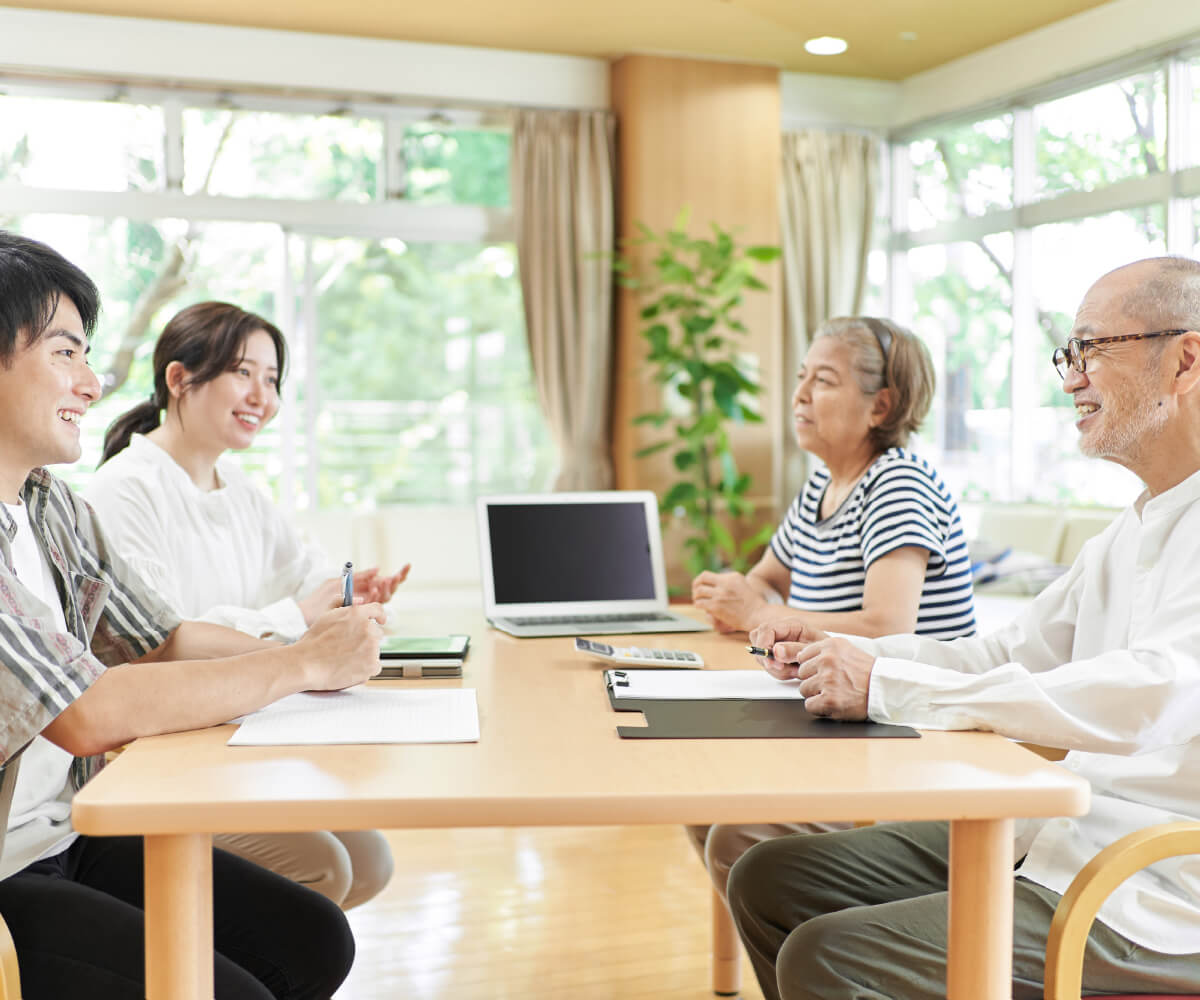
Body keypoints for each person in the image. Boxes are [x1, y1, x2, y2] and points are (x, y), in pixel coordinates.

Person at [728, 256, 1200, 1000]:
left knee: (832, 955)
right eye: (1067, 355)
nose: (1070, 377)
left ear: (1185, 359)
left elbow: (1154, 692)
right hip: (1057, 831)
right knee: (769, 878)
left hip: (1154, 888)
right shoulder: (1133, 526)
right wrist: (849, 653)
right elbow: (1007, 650)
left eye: (1090, 350)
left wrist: (885, 684)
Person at [0, 229, 388, 998]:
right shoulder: (121, 487)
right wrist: (299, 662)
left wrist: (318, 649)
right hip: (7, 867)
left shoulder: (49, 505)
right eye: (65, 353)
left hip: (68, 829)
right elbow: (84, 713)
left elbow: (161, 637)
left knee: (313, 941)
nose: (93, 381)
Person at [83, 300, 405, 910]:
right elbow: (162, 641)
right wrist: (298, 622)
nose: (262, 394)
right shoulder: (125, 489)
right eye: (243, 372)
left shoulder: (241, 491)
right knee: (326, 870)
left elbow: (303, 573)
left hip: (238, 724)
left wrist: (349, 595)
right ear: (178, 380)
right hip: (161, 742)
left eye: (273, 379)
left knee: (369, 861)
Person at [687, 316, 977, 898]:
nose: (798, 395)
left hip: (911, 733)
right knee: (702, 799)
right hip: (841, 719)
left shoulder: (897, 484)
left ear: (880, 406)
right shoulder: (822, 486)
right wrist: (746, 601)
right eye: (801, 377)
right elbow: (765, 580)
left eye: (822, 380)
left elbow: (887, 625)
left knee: (735, 835)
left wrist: (757, 615)